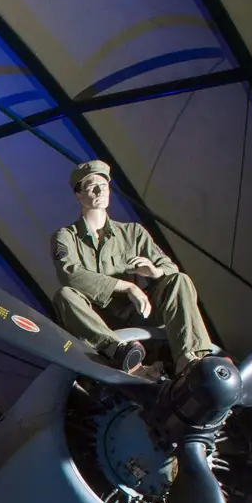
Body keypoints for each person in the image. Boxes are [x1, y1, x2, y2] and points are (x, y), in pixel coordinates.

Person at [52, 160, 213, 375]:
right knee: (65, 295)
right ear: (78, 195)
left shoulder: (133, 233)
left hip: (138, 311)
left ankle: (191, 360)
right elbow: (70, 275)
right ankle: (117, 352)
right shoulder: (66, 237)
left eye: (104, 185)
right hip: (97, 321)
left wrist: (155, 272)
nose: (100, 191)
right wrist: (127, 287)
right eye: (92, 187)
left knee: (179, 280)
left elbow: (169, 267)